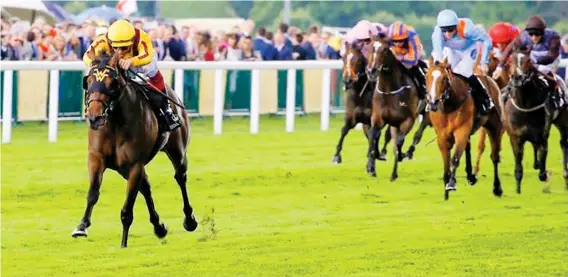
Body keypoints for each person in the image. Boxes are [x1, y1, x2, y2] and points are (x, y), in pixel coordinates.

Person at [83, 19, 180, 132]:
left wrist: (132, 61)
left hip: (139, 59)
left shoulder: (142, 37)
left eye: (124, 47)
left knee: (152, 70)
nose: (119, 51)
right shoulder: (103, 40)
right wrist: (101, 63)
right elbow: (87, 56)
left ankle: (166, 110)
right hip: (114, 63)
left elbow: (147, 56)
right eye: (116, 47)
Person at [493, 15, 565, 110]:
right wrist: (500, 66)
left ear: (543, 32)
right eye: (531, 34)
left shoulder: (553, 37)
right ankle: (508, 91)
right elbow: (509, 49)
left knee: (541, 71)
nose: (534, 37)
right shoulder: (523, 35)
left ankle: (555, 95)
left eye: (537, 35)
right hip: (531, 54)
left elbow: (551, 57)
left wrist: (534, 61)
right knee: (519, 72)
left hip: (549, 57)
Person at [431, 9, 494, 115]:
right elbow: (438, 53)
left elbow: (487, 40)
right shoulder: (437, 33)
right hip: (452, 50)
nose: (447, 34)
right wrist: (439, 62)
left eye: (450, 30)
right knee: (442, 72)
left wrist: (484, 62)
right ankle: (436, 99)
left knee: (465, 73)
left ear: (456, 26)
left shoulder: (467, 29)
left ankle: (485, 99)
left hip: (468, 49)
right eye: (444, 30)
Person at [387, 21, 427, 98]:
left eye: (401, 40)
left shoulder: (412, 35)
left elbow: (413, 60)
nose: (398, 43)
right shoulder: (388, 35)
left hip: (412, 51)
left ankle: (423, 86)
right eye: (395, 41)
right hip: (396, 52)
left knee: (411, 66)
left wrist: (400, 58)